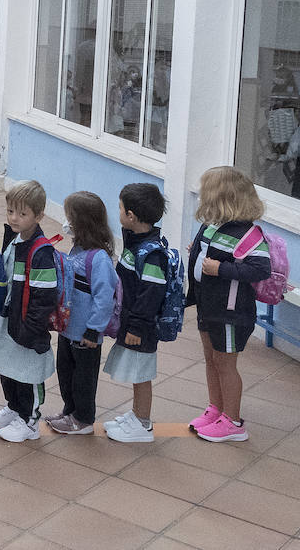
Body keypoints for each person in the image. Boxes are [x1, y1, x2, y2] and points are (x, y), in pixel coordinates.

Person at [184, 167, 272, 443]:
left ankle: (233, 422)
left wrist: (221, 268)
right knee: (211, 359)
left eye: (206, 193)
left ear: (223, 198)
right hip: (207, 306)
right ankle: (216, 409)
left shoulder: (249, 235)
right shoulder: (211, 226)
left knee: (225, 363)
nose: (201, 198)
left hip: (231, 313)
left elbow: (260, 269)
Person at [0, 180, 58, 443]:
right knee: (8, 366)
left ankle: (30, 421)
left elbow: (44, 296)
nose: (14, 218)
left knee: (28, 373)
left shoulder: (41, 251)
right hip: (10, 319)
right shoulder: (15, 240)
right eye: (10, 211)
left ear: (39, 216)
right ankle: (14, 407)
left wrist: (33, 329)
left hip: (28, 325)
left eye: (22, 214)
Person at [45, 191, 118, 437]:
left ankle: (83, 418)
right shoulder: (78, 250)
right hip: (69, 330)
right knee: (66, 373)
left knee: (83, 380)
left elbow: (103, 298)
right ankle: (70, 411)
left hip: (85, 334)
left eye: (69, 217)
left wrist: (93, 330)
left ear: (82, 221)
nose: (66, 222)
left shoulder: (99, 259)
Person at [101, 183, 167, 443]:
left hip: (142, 327)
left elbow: (150, 295)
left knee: (141, 375)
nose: (117, 212)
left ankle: (143, 423)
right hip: (131, 320)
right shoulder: (135, 241)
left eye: (119, 208)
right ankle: (137, 415)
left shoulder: (152, 255)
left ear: (130, 216)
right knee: (137, 373)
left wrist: (137, 327)